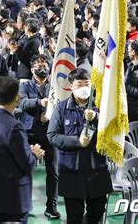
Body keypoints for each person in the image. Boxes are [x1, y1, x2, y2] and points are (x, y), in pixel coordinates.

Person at [47, 68, 112, 224]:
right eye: (79, 84)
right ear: (71, 86)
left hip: (97, 169)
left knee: (97, 213)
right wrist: (77, 141)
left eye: (87, 84)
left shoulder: (101, 105)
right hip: (72, 172)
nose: (84, 88)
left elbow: (113, 131)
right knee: (74, 217)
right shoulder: (61, 108)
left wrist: (97, 117)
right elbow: (52, 136)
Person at [0, 76, 44, 224]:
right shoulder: (14, 126)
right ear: (17, 98)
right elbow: (26, 163)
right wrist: (34, 153)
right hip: (12, 200)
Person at [18, 55, 60, 219]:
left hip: (50, 133)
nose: (41, 68)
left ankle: (52, 206)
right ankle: (24, 204)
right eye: (37, 65)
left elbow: (60, 104)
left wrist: (50, 116)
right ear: (32, 69)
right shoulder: (25, 85)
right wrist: (39, 102)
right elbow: (22, 103)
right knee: (25, 170)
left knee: (53, 172)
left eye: (44, 65)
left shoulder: (55, 86)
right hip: (30, 134)